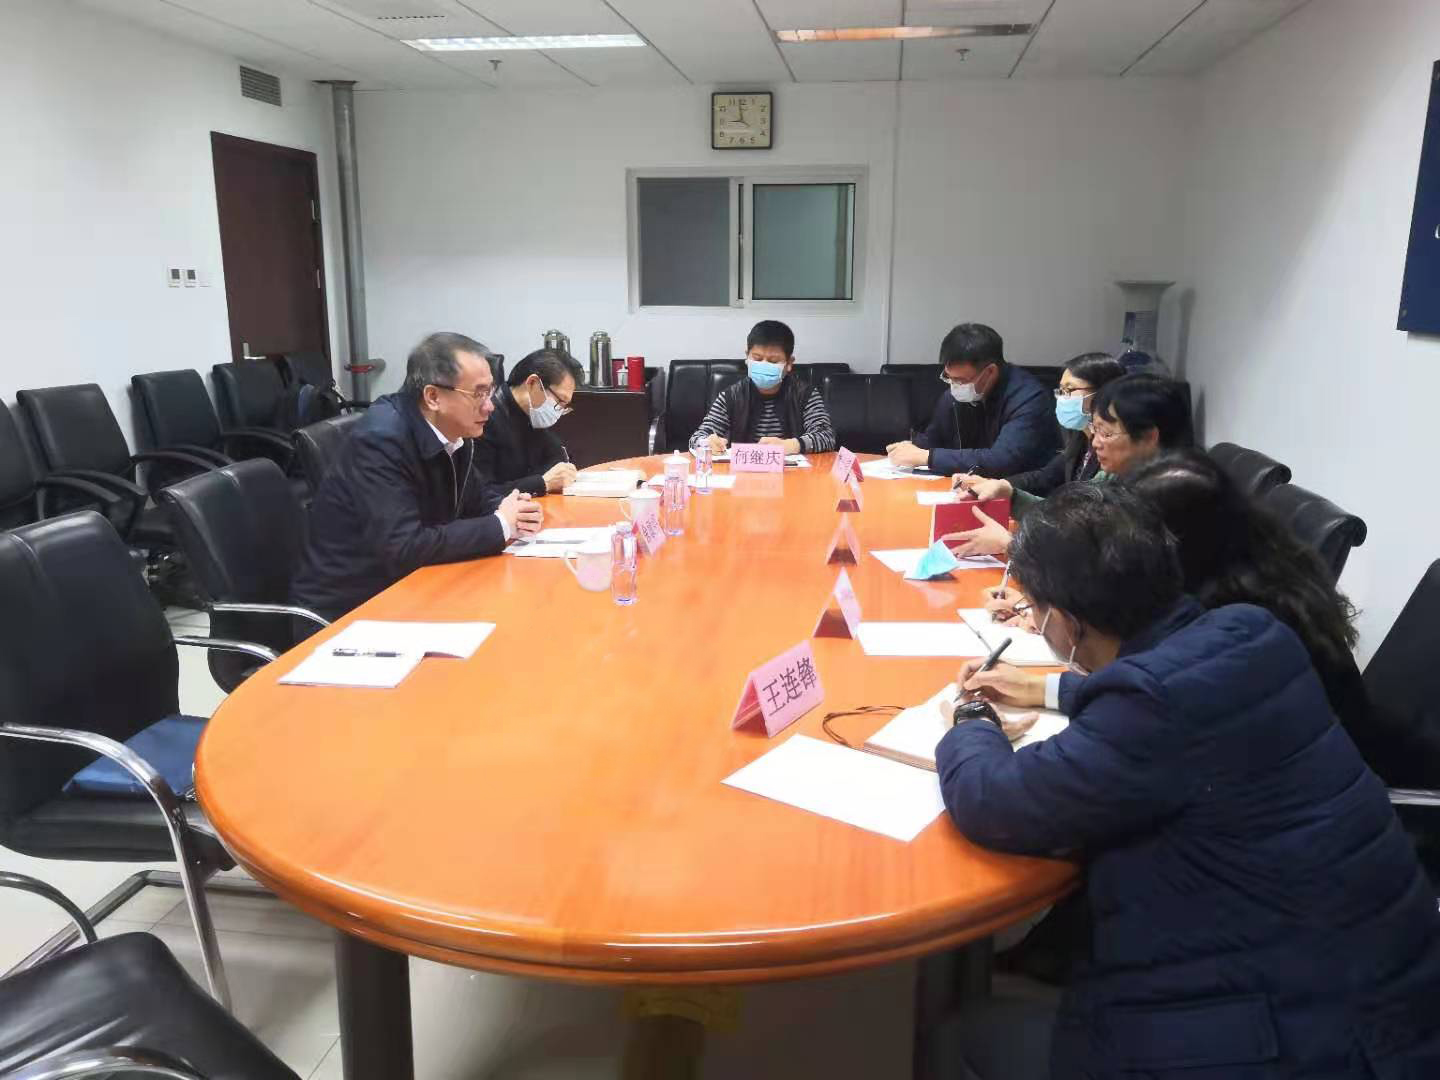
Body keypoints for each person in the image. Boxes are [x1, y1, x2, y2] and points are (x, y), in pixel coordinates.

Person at [931, 485, 1440, 1080]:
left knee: (963, 1033)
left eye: (1036, 610)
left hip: (1292, 1043)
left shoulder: (1147, 710)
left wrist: (971, 720)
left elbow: (993, 800)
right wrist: (1046, 687)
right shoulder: (1252, 630)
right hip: (1392, 998)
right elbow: (1180, 694)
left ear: (1064, 622)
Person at [293, 331, 543, 621]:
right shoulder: (381, 440)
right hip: (351, 609)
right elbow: (404, 547)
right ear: (433, 396)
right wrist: (500, 525)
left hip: (414, 588)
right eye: (478, 393)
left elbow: (474, 497)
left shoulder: (455, 431)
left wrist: (514, 511)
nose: (490, 405)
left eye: (490, 391)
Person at [944, 372, 1192, 556]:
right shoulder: (1118, 474)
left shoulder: (1168, 492)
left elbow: (1100, 570)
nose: (1095, 442)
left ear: (1149, 437)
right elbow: (1071, 519)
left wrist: (1012, 545)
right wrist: (1010, 495)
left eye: (1107, 433)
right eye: (1095, 429)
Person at [884, 323, 1057, 477]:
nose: (954, 386)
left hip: (1020, 491)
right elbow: (933, 439)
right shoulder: (953, 396)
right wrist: (911, 447)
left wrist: (928, 457)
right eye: (948, 377)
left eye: (961, 380)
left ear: (990, 372)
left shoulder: (1029, 398)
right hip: (967, 485)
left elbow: (1001, 460)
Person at [689, 320, 836, 456]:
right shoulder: (731, 396)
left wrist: (791, 445)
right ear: (747, 357)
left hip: (792, 472)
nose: (764, 365)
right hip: (743, 472)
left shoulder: (805, 394)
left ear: (789, 363)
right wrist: (706, 443)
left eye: (773, 361)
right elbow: (696, 438)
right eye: (757, 359)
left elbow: (827, 436)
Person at [995, 352, 1126, 498]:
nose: (1062, 398)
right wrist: (1000, 484)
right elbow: (1046, 477)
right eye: (1061, 391)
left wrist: (1011, 493)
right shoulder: (1079, 436)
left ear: (1103, 392)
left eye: (1069, 390)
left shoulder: (1113, 449)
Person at [472, 347, 582, 496]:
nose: (558, 411)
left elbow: (558, 460)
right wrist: (543, 483)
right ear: (532, 383)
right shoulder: (484, 419)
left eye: (564, 406)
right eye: (559, 401)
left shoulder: (534, 415)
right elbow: (480, 494)